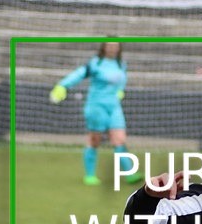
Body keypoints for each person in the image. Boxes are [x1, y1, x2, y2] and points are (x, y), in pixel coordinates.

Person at [50, 42, 140, 186]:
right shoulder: (95, 63)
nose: (113, 48)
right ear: (104, 47)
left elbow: (122, 80)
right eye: (110, 45)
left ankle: (130, 174)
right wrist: (62, 85)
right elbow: (78, 74)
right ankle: (90, 175)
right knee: (94, 140)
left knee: (119, 139)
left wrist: (120, 90)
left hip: (114, 106)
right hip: (96, 106)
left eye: (115, 46)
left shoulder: (121, 64)